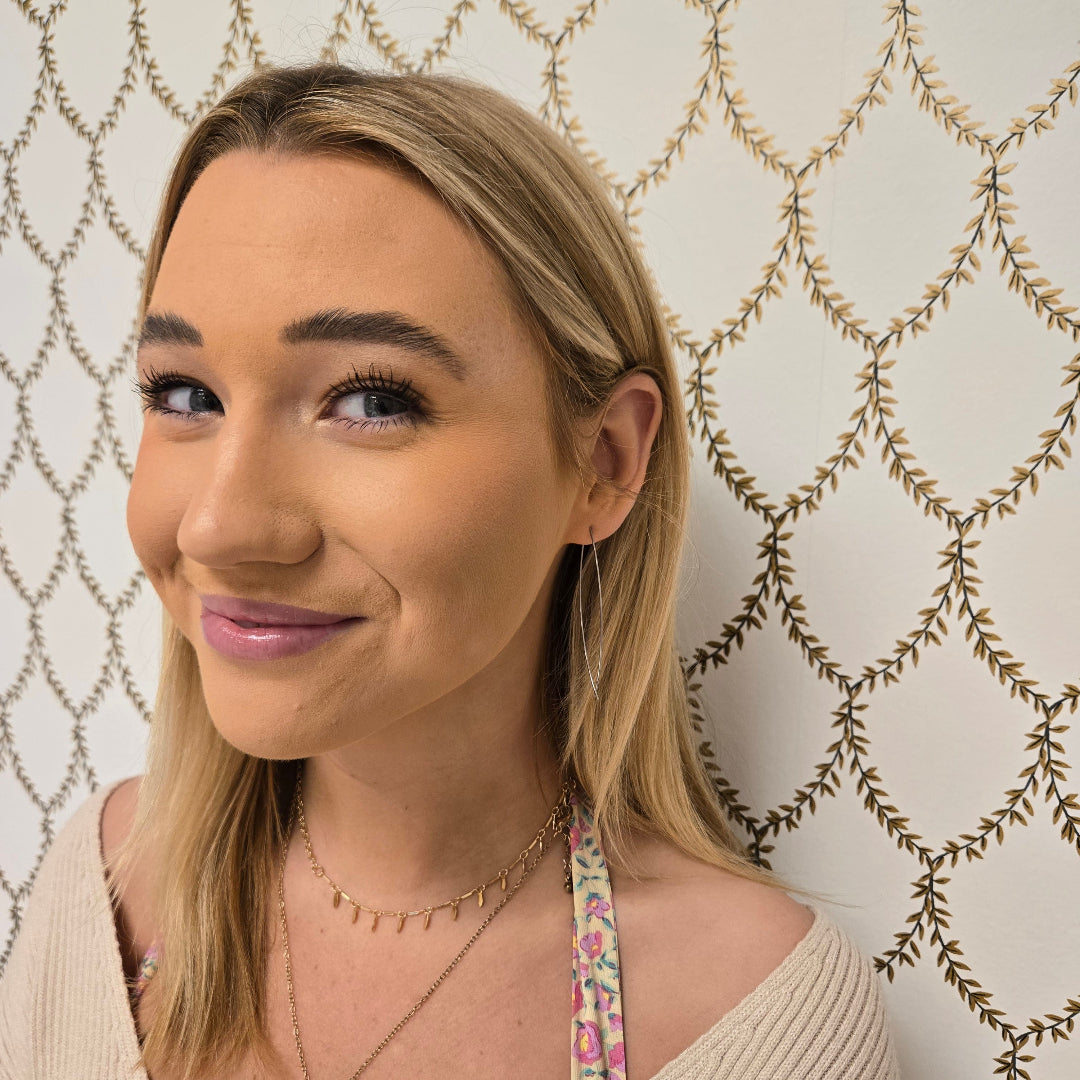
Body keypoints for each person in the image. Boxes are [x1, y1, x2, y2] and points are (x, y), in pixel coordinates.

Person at [0, 62, 901, 1079]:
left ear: (604, 462)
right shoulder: (98, 892)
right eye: (185, 394)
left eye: (371, 401)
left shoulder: (750, 1019)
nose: (219, 527)